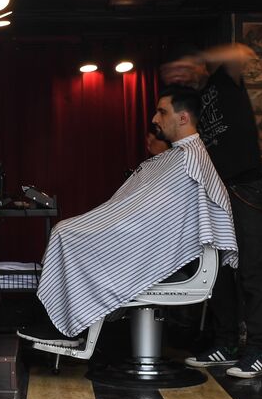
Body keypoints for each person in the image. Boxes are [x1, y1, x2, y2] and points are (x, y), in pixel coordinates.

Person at [28, 87, 238, 343]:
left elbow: (148, 218)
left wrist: (103, 229)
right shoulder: (181, 156)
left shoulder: (188, 161)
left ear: (183, 118)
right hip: (154, 245)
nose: (154, 119)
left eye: (162, 112)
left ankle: (63, 327)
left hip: (162, 256)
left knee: (67, 234)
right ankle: (62, 322)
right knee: (67, 232)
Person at [163, 44, 262, 378]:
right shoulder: (194, 100)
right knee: (218, 270)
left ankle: (258, 350)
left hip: (244, 188)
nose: (185, 77)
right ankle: (226, 344)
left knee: (250, 268)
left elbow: (242, 52)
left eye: (189, 71)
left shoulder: (225, 80)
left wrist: (197, 59)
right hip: (215, 190)